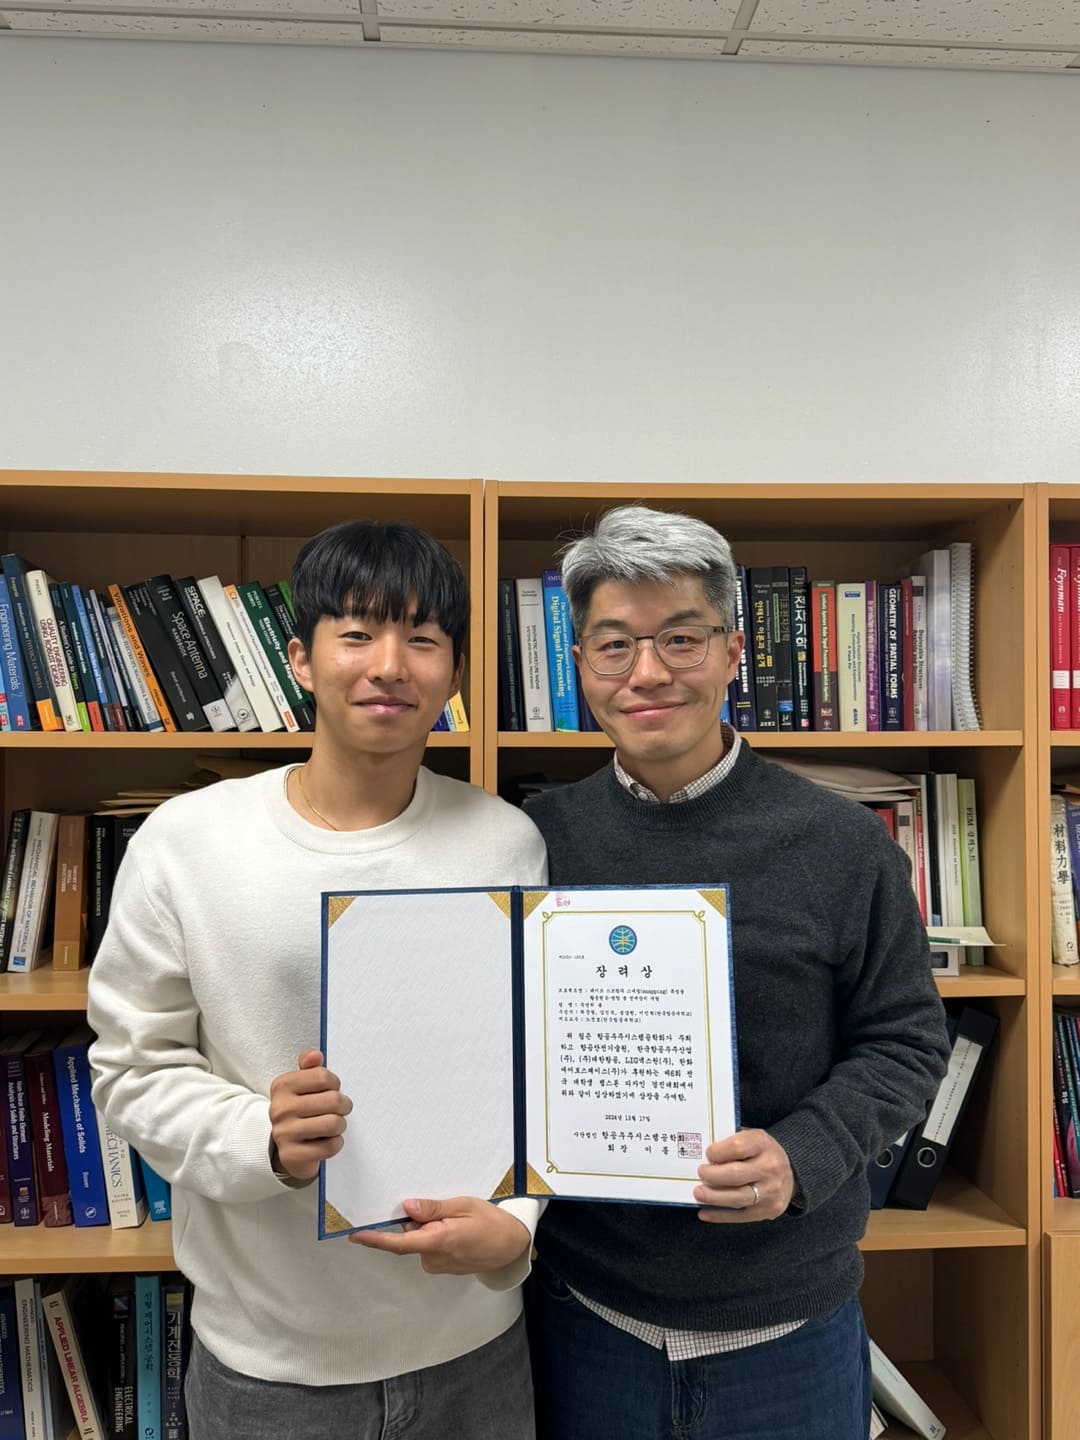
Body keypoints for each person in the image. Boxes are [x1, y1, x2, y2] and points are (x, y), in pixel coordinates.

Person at [88, 519, 547, 1440]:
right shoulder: (186, 841)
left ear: (456, 672)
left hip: (475, 1346)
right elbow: (132, 1069)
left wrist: (521, 1227)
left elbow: (536, 1068)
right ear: (299, 658)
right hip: (269, 1365)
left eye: (423, 639)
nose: (390, 666)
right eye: (357, 633)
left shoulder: (505, 841)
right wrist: (260, 1135)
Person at [523, 504, 951, 1440]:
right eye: (614, 646)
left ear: (732, 652)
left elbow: (909, 1041)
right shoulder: (534, 842)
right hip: (584, 1313)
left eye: (681, 638)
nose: (647, 673)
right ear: (581, 664)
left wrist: (804, 1154)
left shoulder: (844, 845)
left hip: (788, 1326)